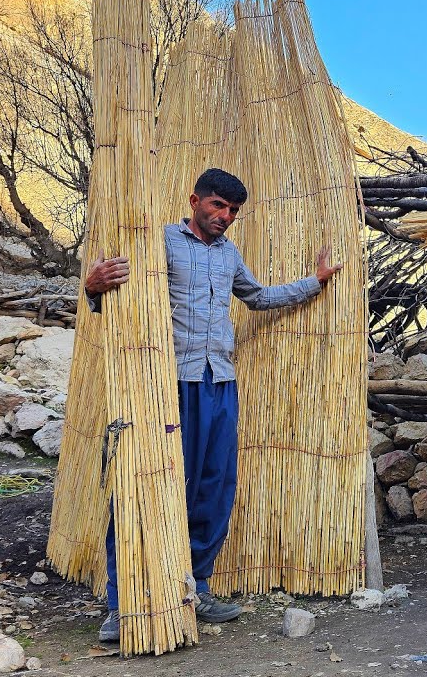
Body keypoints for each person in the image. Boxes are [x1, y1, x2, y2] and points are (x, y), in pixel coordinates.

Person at [84, 167, 344, 642]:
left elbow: (258, 297)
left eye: (233, 211)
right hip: (165, 383)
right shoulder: (157, 240)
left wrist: (315, 281)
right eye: (217, 206)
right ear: (195, 201)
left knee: (213, 487)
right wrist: (93, 288)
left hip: (219, 381)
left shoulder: (228, 254)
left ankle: (196, 587)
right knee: (141, 485)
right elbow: (119, 299)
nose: (225, 217)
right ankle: (122, 604)